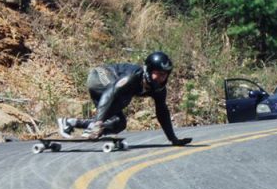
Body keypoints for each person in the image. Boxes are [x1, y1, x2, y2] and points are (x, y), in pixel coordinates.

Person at [57, 51, 193, 145]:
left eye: (165, 75)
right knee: (124, 96)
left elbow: (162, 113)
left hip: (111, 89)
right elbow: (110, 93)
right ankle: (94, 125)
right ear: (148, 70)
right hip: (101, 75)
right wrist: (98, 122)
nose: (161, 78)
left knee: (119, 123)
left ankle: (70, 123)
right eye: (157, 73)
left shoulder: (159, 90)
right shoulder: (134, 76)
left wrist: (173, 139)